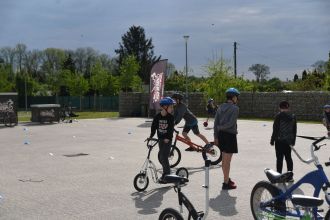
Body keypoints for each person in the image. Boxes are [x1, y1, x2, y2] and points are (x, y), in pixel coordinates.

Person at [214, 88, 240, 190]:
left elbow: (216, 123)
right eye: (237, 97)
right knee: (227, 162)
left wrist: (216, 136)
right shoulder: (235, 108)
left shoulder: (220, 107)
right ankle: (225, 183)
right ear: (233, 97)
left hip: (221, 136)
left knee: (224, 161)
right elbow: (231, 124)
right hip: (230, 136)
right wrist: (221, 127)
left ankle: (227, 179)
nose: (237, 99)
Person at [149, 97, 176, 183]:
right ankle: (167, 172)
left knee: (164, 156)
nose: (172, 109)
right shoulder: (157, 117)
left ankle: (167, 175)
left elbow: (171, 129)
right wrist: (151, 136)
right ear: (164, 107)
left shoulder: (171, 117)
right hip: (160, 139)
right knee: (161, 157)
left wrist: (168, 138)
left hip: (167, 140)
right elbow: (153, 127)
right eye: (171, 107)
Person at [270, 101, 297, 182]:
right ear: (288, 108)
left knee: (279, 159)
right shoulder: (293, 116)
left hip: (279, 141)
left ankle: (279, 175)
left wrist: (272, 140)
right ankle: (290, 177)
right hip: (288, 141)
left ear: (280, 108)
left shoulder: (278, 116)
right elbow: (294, 130)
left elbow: (275, 129)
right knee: (288, 158)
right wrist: (293, 141)